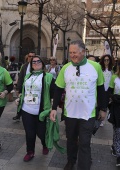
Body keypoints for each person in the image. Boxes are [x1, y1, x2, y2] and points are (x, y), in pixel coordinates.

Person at [50, 40, 107, 170]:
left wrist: (103, 109)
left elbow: (101, 89)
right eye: (70, 53)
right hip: (70, 113)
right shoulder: (65, 68)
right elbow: (58, 89)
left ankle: (84, 166)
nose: (72, 55)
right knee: (71, 140)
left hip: (88, 113)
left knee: (85, 143)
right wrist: (54, 109)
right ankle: (71, 161)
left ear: (83, 51)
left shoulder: (95, 67)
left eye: (74, 52)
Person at [17, 55, 55, 162]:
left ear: (42, 63)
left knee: (41, 133)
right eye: (33, 62)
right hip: (26, 109)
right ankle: (30, 152)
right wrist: (20, 97)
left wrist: (53, 105)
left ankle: (44, 144)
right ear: (31, 65)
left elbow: (55, 91)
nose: (36, 63)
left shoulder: (48, 77)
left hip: (41, 111)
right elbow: (24, 91)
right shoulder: (28, 76)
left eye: (38, 61)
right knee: (30, 133)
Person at [13, 51, 35, 120]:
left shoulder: (37, 66)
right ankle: (18, 114)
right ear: (27, 57)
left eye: (32, 56)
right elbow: (21, 77)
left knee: (32, 101)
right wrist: (18, 89)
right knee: (21, 100)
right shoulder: (24, 66)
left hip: (34, 89)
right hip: (24, 88)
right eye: (29, 56)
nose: (31, 58)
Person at [108, 58, 120, 166]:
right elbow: (109, 92)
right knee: (118, 131)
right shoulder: (114, 78)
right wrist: (114, 98)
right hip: (117, 108)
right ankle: (118, 155)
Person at [99, 54, 113, 126]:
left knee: (106, 105)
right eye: (105, 60)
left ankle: (102, 119)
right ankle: (100, 119)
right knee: (101, 104)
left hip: (109, 90)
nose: (106, 61)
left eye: (108, 60)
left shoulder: (112, 70)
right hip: (102, 89)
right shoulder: (100, 69)